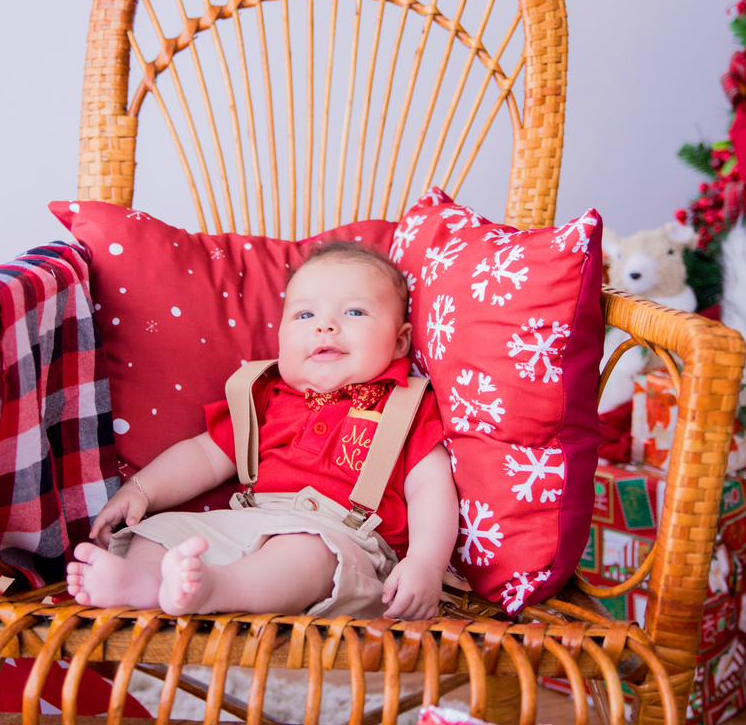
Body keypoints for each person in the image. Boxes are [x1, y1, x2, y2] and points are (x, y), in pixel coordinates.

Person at [65, 241, 457, 621]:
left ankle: (219, 589)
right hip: (250, 520)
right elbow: (205, 455)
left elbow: (431, 488)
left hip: (342, 538)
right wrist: (141, 490)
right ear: (281, 339)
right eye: (305, 316)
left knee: (304, 554)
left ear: (400, 341)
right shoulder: (266, 396)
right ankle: (144, 586)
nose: (325, 326)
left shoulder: (404, 405)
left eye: (354, 312)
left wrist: (425, 562)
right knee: (161, 530)